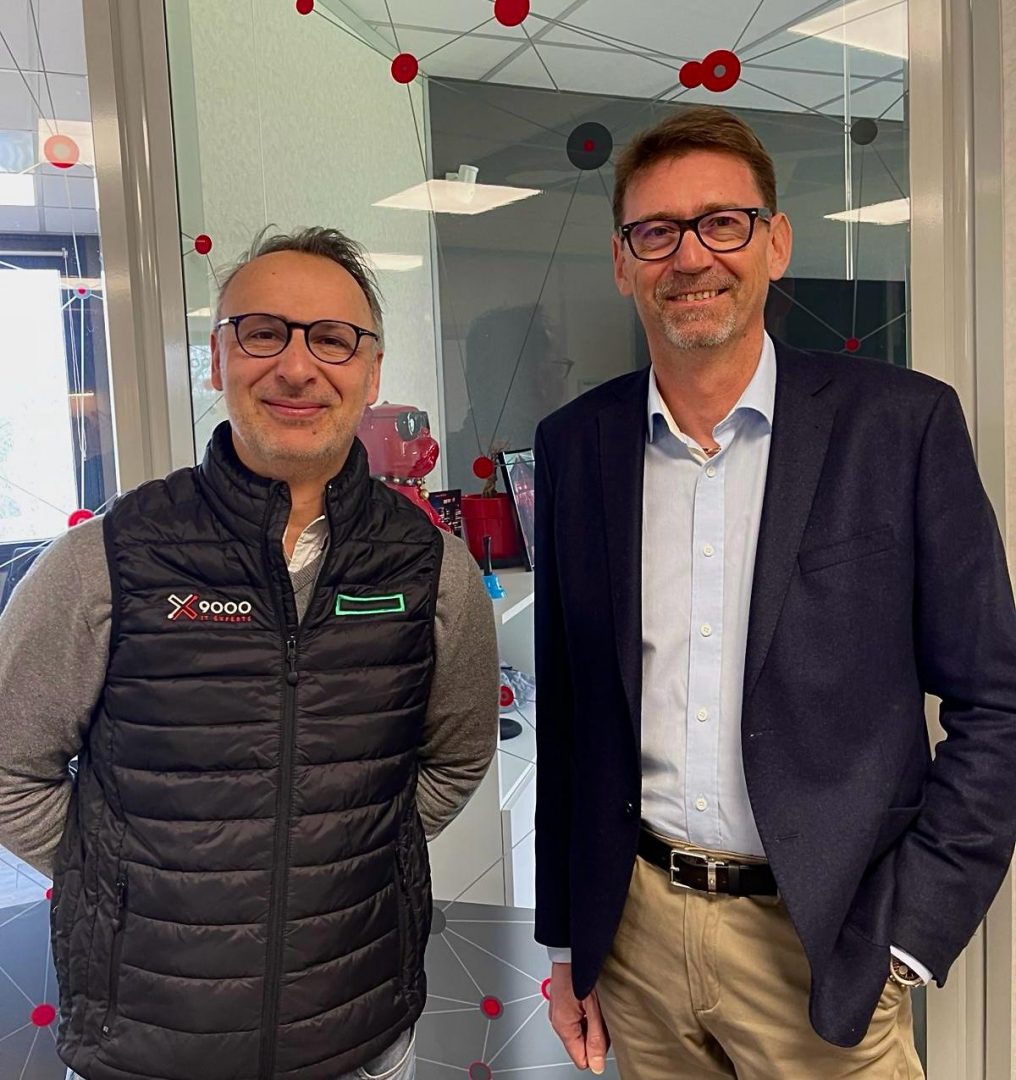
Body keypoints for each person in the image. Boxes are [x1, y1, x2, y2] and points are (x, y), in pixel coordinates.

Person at [534, 105, 1016, 1078]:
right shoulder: (576, 444)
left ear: (775, 242)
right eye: (655, 232)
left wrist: (910, 932)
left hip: (820, 943)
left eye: (722, 222)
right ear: (623, 261)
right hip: (635, 935)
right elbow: (570, 712)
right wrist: (566, 941)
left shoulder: (900, 426)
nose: (690, 257)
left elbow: (996, 703)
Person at [0, 227, 500, 1080]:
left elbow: (457, 757)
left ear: (372, 371)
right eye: (263, 333)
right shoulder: (105, 559)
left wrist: (349, 858)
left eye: (332, 338)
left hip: (361, 1037)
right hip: (148, 1045)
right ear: (217, 358)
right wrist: (118, 880)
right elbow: (11, 766)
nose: (297, 368)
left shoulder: (433, 569)